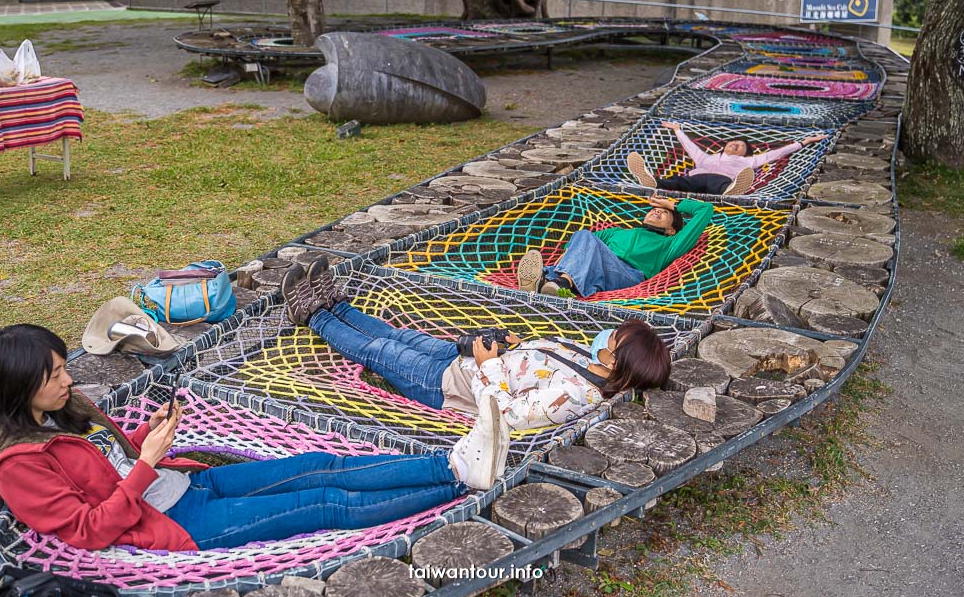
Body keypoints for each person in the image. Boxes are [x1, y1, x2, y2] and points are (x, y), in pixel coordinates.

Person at [0, 323, 509, 552]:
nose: (67, 380)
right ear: (21, 387)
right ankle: (460, 480)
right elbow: (88, 530)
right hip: (177, 523)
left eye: (64, 367)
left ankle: (450, 464)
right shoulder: (18, 464)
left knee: (320, 463)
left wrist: (147, 435)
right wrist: (146, 465)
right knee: (325, 503)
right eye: (54, 375)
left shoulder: (60, 412)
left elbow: (106, 459)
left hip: (188, 486)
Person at [281, 259, 671, 433]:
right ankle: (337, 304)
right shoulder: (590, 361)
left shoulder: (579, 395)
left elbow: (507, 416)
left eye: (615, 337)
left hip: (449, 385)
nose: (609, 336)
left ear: (618, 357)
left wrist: (489, 366)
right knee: (393, 334)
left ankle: (313, 314)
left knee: (379, 351)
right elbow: (541, 360)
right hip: (462, 359)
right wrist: (517, 344)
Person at [514, 194, 715, 298]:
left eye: (664, 213)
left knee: (588, 239)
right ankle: (551, 283)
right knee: (583, 236)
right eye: (654, 209)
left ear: (672, 229)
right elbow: (577, 242)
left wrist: (671, 203)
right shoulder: (617, 232)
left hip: (628, 276)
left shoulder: (670, 243)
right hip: (596, 269)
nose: (656, 211)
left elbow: (705, 210)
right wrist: (568, 250)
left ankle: (551, 280)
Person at [626, 120, 828, 196]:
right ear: (724, 146)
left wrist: (804, 142)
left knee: (717, 182)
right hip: (696, 178)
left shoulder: (750, 161)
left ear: (745, 152)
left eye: (741, 146)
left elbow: (778, 153)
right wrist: (678, 130)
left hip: (720, 182)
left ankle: (730, 191)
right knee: (679, 181)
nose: (736, 144)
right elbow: (689, 146)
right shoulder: (705, 158)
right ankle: (654, 182)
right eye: (733, 142)